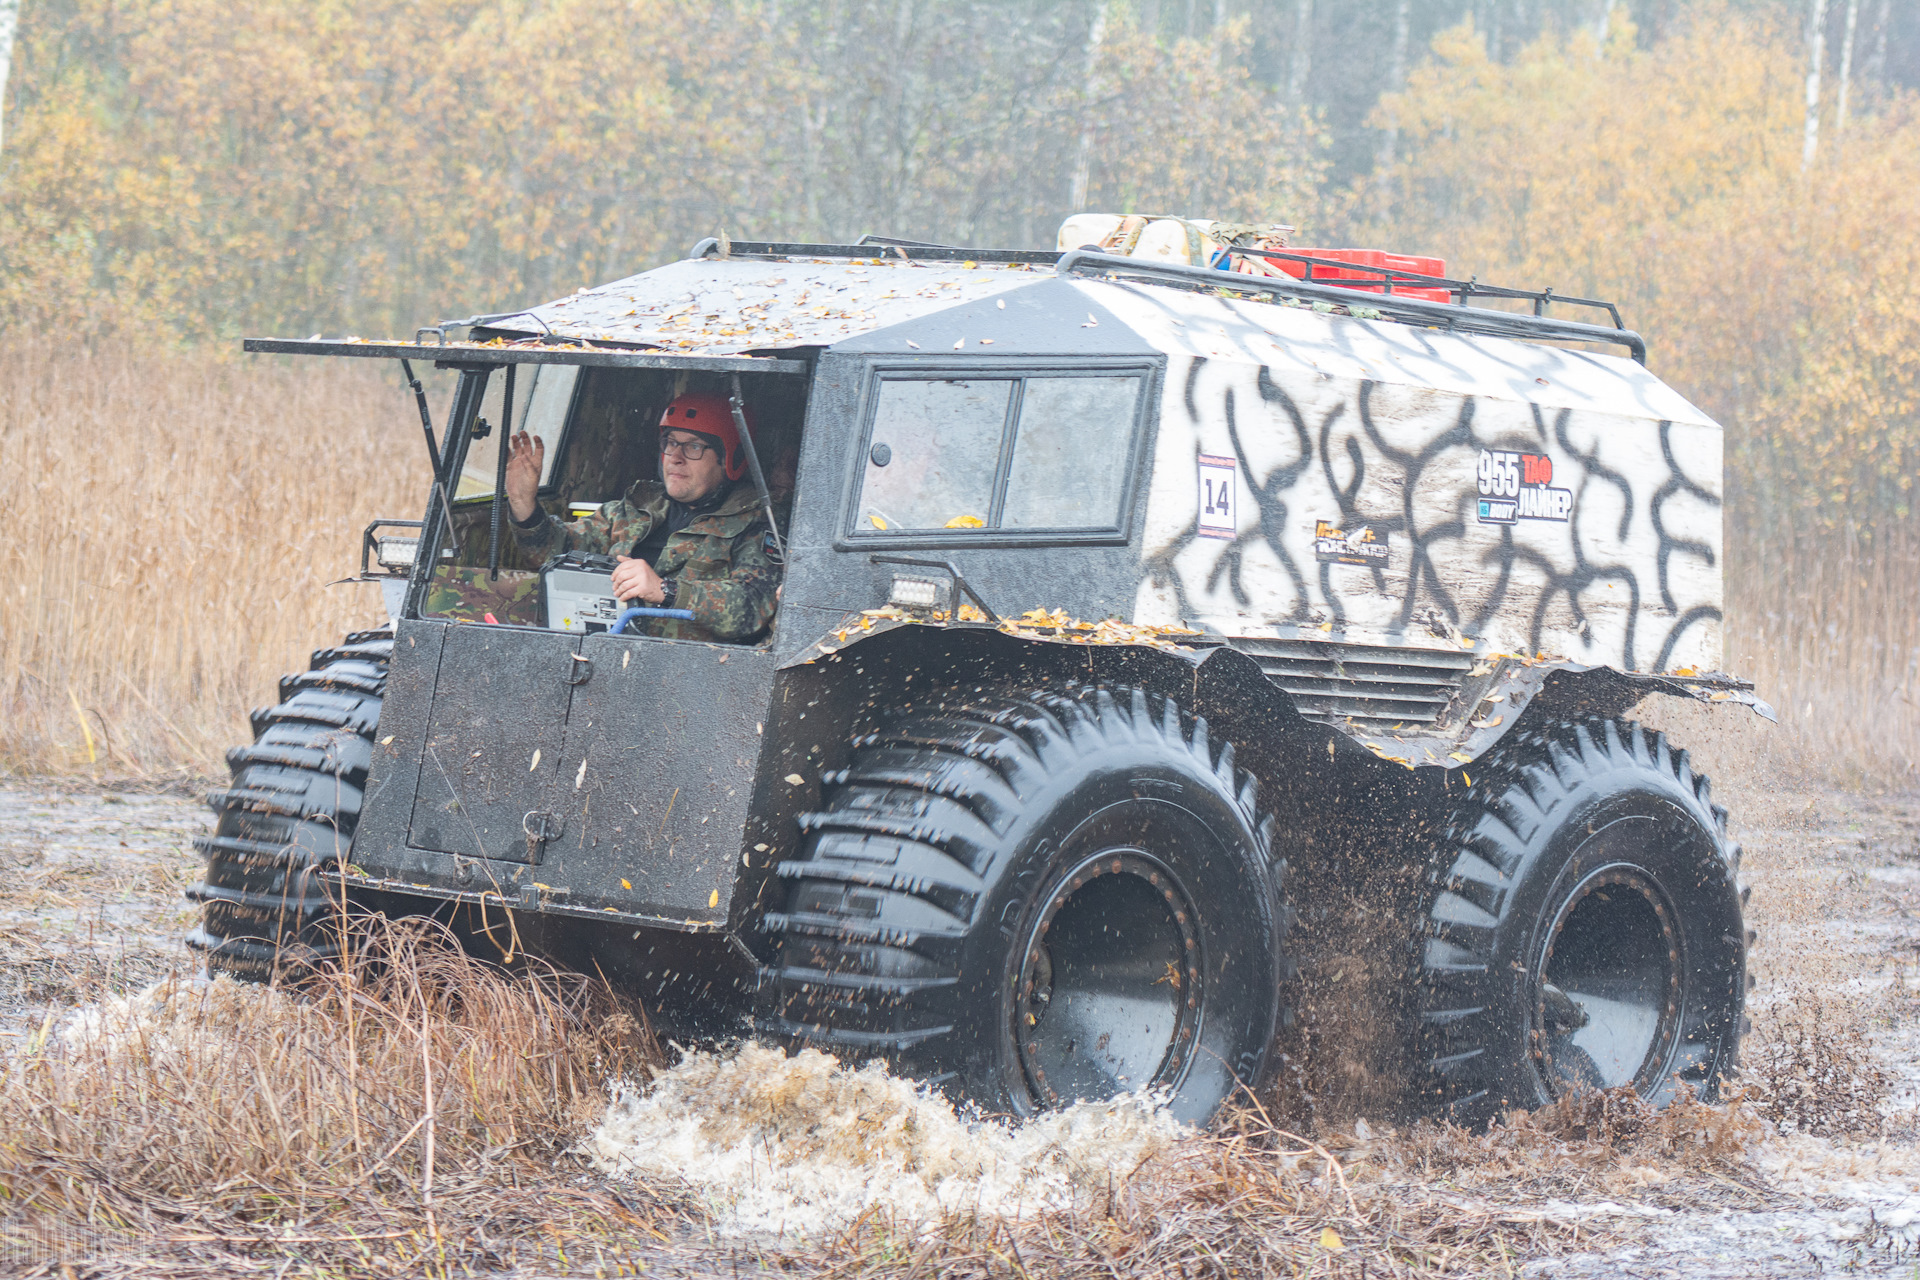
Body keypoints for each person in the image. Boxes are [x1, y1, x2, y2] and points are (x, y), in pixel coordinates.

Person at [505, 391, 780, 643]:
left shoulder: (756, 521)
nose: (675, 457)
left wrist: (665, 590)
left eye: (694, 446)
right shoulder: (638, 506)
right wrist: (523, 504)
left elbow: (753, 606)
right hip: (605, 657)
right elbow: (557, 552)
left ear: (729, 458)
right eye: (671, 443)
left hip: (691, 676)